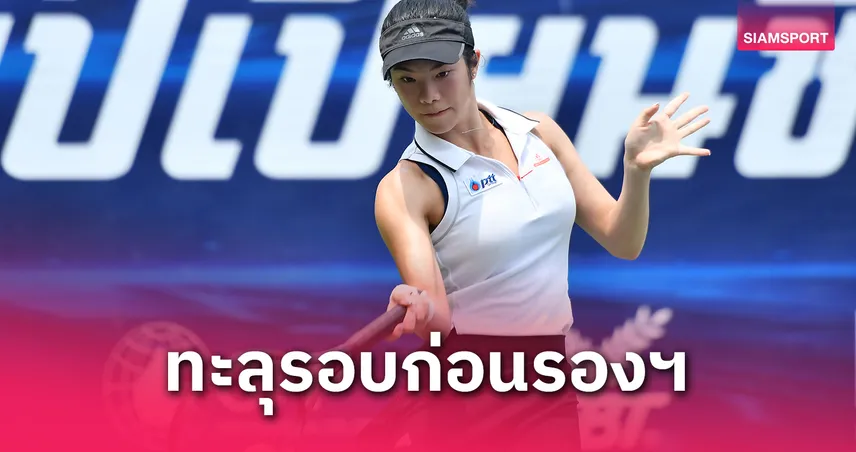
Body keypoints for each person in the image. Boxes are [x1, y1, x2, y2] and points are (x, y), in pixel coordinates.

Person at [363, 0, 711, 450]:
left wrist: (636, 170)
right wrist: (419, 306)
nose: (427, 95)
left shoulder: (539, 133)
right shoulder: (405, 187)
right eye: (407, 80)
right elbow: (437, 324)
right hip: (467, 392)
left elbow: (623, 240)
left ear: (474, 63)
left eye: (442, 73)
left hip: (548, 379)